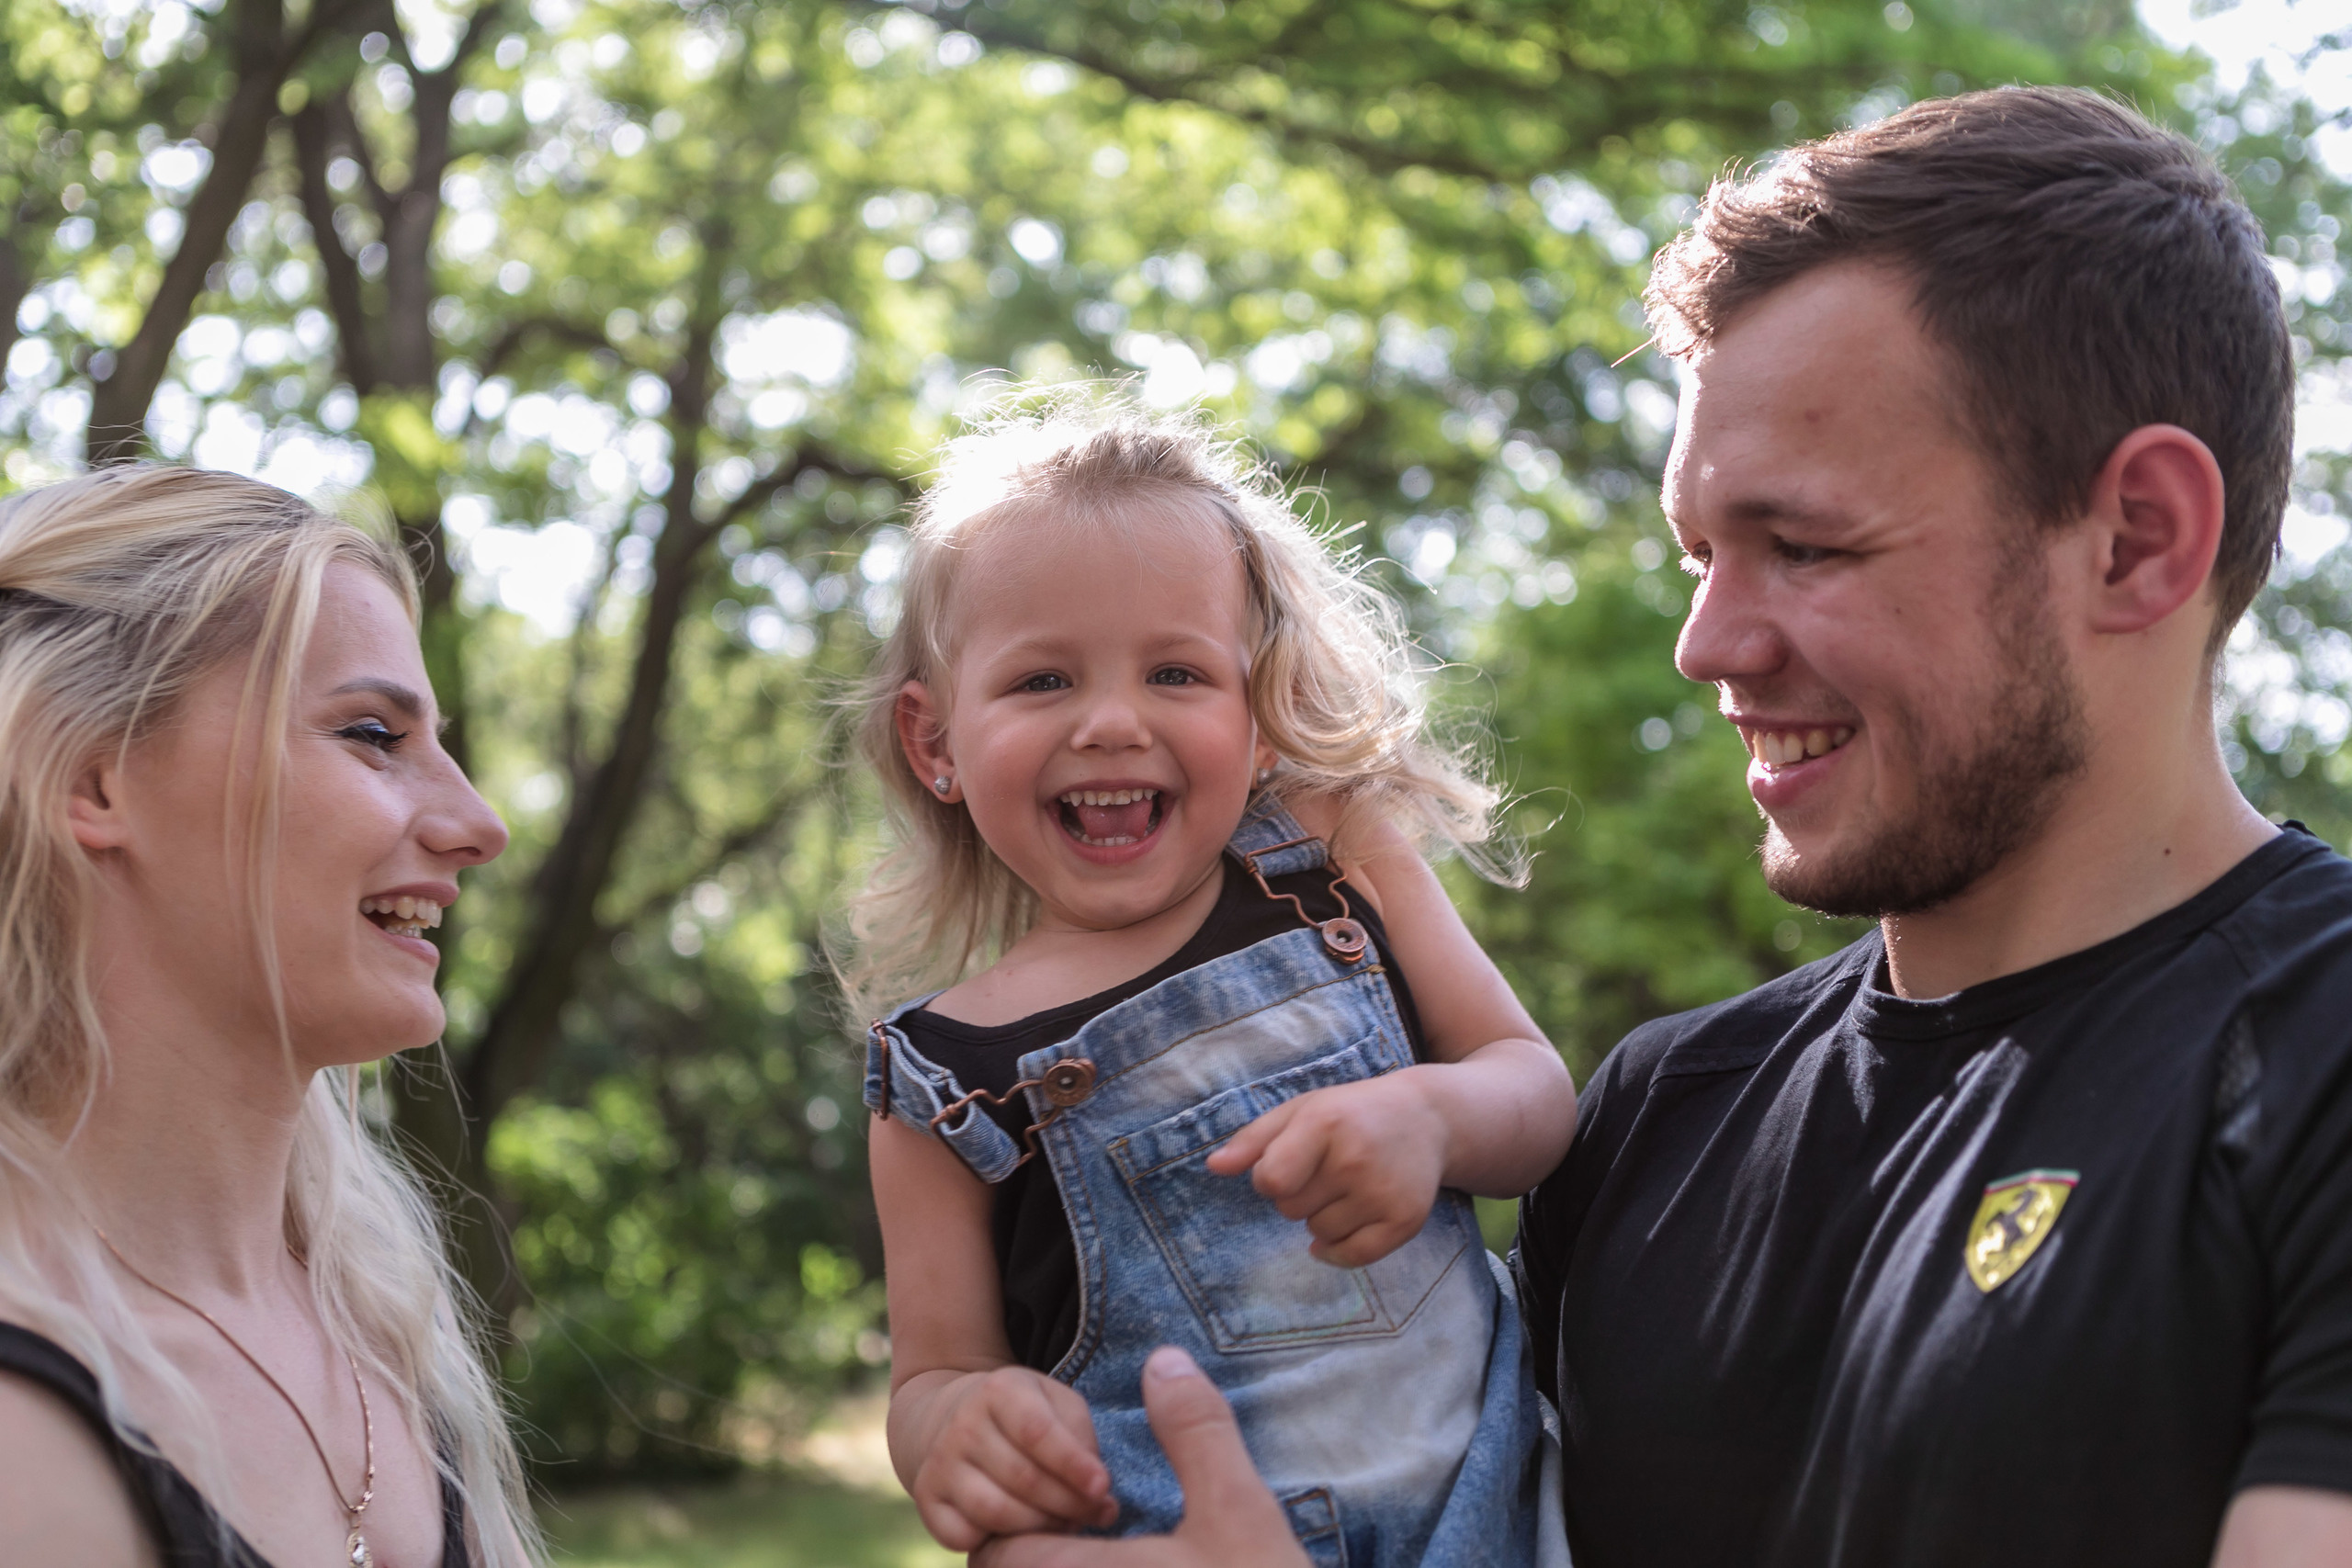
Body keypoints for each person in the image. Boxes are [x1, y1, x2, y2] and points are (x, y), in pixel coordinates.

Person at [1508, 86, 2352, 1565]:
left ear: (2139, 537)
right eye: (1700, 554)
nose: (1707, 646)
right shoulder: (1649, 1117)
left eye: (1803, 545)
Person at [844, 394, 1575, 1565]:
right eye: (1043, 682)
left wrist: (1432, 1116)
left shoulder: (1330, 859)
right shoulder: (943, 1081)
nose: (1112, 723)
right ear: (935, 742)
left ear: (1261, 712)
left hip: (1508, 1515)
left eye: (1176, 673)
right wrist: (956, 1427)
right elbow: (935, 1375)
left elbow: (1531, 1089)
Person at [0, 467, 537, 1567]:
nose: (478, 824)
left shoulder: (384, 1317)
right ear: (95, 782)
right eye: (374, 734)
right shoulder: (24, 1441)